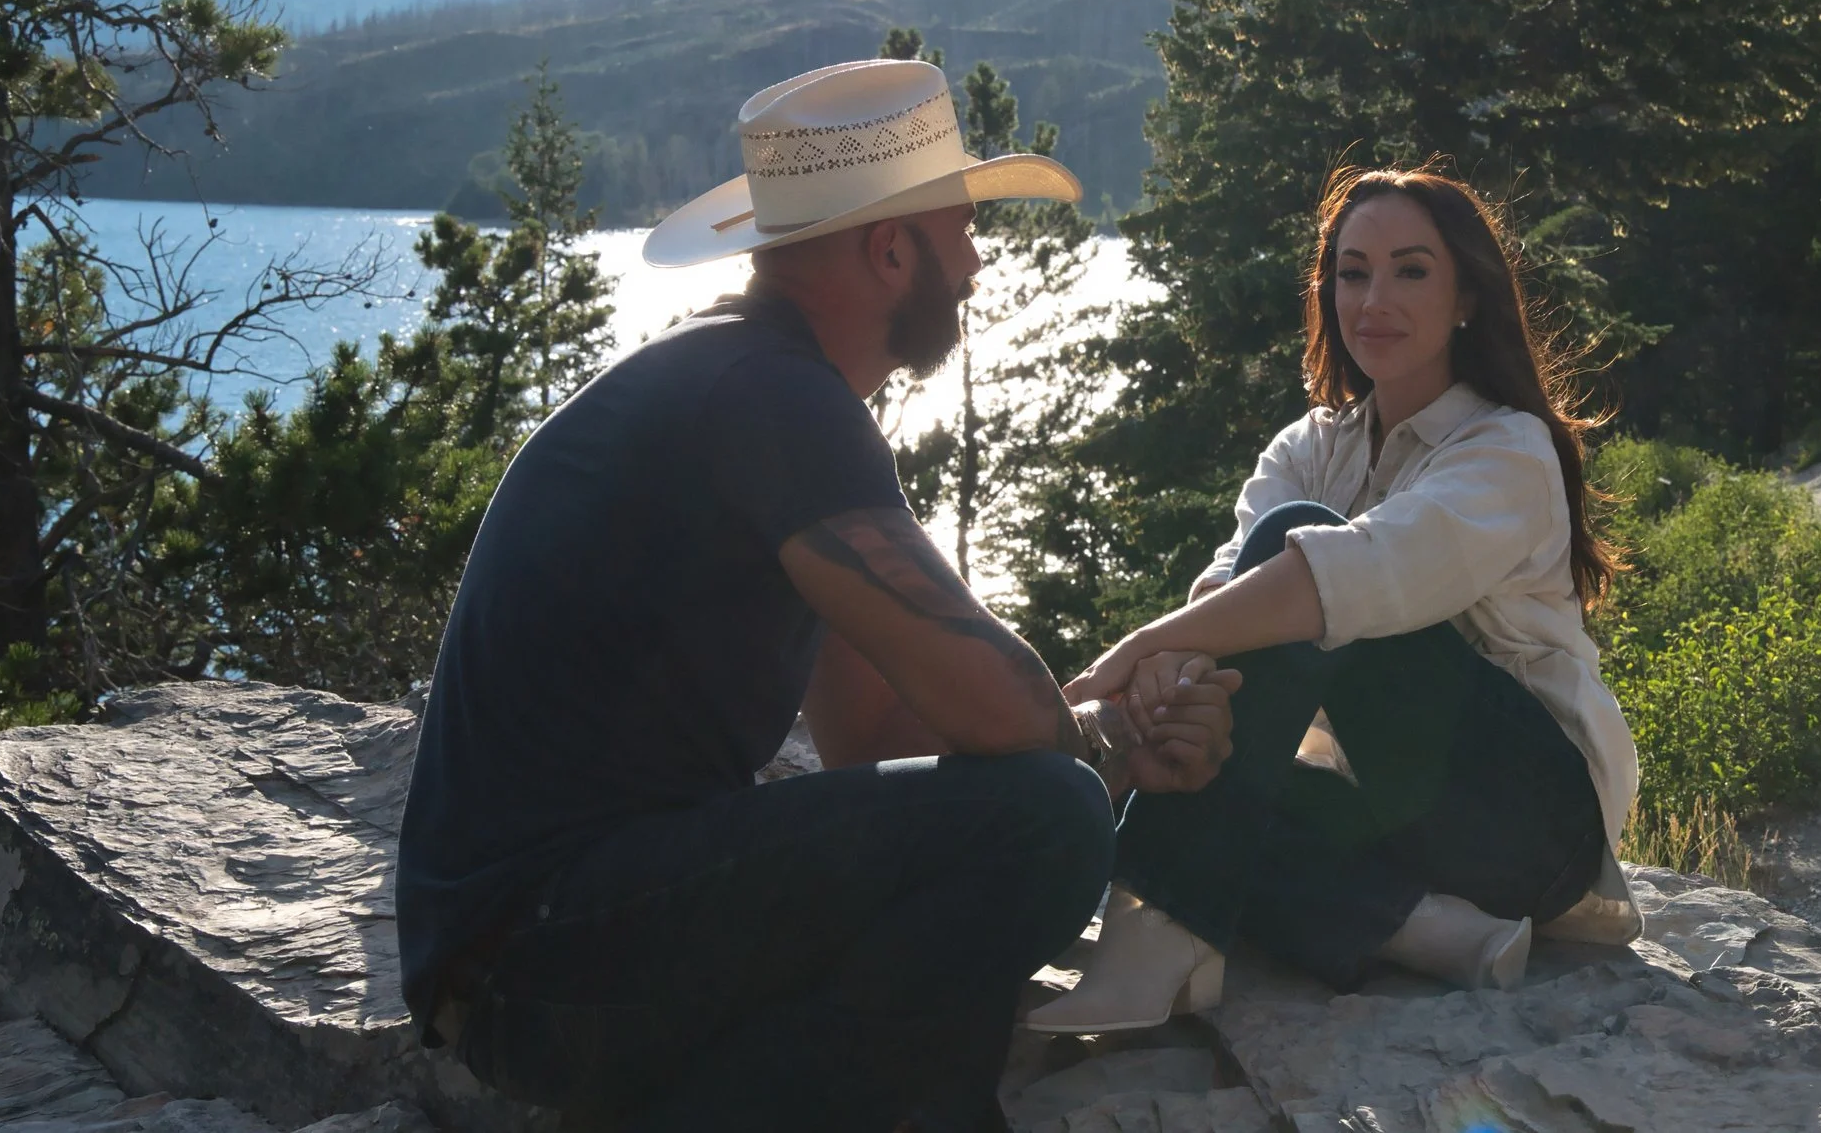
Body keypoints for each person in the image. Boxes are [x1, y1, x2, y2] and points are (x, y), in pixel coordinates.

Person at [396, 58, 1241, 1133]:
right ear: (891, 249)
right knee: (1046, 822)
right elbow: (1002, 713)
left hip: (533, 954)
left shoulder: (744, 384)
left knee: (1027, 814)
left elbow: (874, 733)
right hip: (546, 952)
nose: (978, 261)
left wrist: (1103, 736)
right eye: (961, 228)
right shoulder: (774, 395)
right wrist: (1117, 736)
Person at [1026, 167, 1641, 1034]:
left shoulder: (1508, 451)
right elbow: (1223, 597)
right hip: (1391, 817)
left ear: (1467, 295)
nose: (1373, 298)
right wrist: (1174, 672)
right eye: (1352, 271)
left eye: (1411, 270)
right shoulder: (1311, 446)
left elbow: (1347, 575)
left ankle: (1157, 937)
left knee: (1299, 552)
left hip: (1530, 824)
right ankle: (1422, 927)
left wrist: (1129, 656)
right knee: (1222, 786)